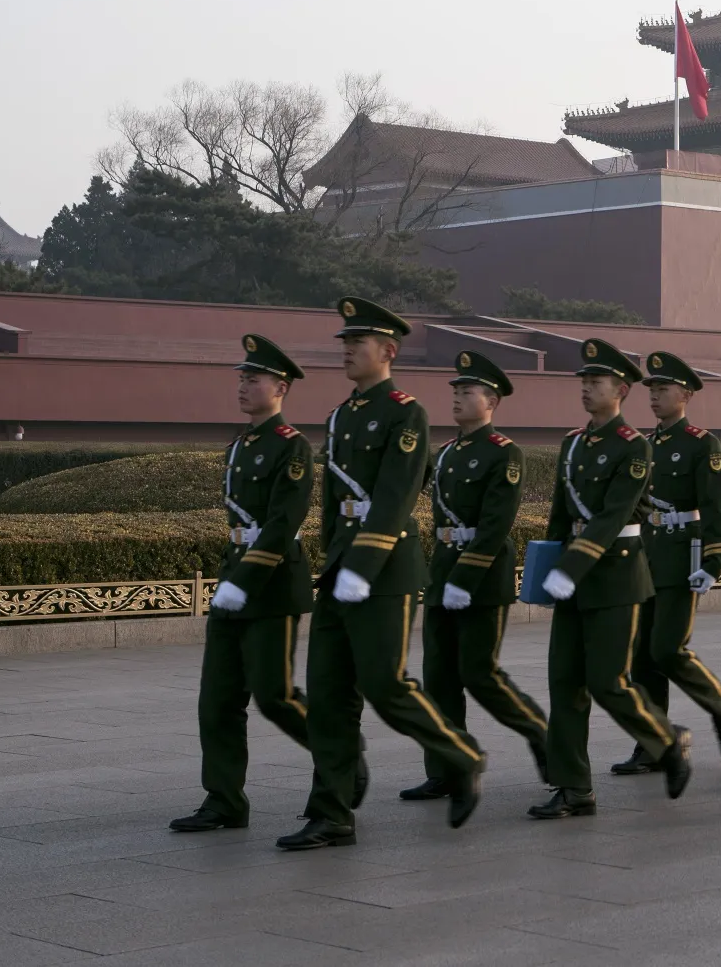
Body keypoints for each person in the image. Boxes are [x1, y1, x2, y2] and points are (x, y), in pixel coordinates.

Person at [281, 298, 485, 851]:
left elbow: (397, 495)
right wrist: (333, 561)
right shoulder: (340, 416)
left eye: (358, 343)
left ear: (388, 351)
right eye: (345, 342)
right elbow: (333, 502)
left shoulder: (405, 413)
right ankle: (331, 813)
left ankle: (461, 757)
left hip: (386, 567)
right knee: (328, 696)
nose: (347, 350)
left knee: (385, 685)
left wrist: (364, 563)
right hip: (342, 569)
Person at [530, 338, 691, 819]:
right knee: (564, 684)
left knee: (608, 682)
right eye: (584, 380)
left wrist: (571, 567)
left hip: (616, 576)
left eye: (596, 381)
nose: (586, 388)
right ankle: (574, 788)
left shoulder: (634, 446)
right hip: (573, 577)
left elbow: (614, 514)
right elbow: (561, 514)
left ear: (621, 389)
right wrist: (548, 567)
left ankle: (666, 742)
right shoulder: (573, 443)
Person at [170, 334, 314, 834]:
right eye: (242, 379)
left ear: (281, 387)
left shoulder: (292, 446)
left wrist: (246, 578)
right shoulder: (239, 446)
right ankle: (224, 799)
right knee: (218, 698)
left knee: (275, 696)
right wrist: (231, 577)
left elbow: (283, 521)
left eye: (254, 379)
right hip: (235, 573)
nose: (243, 386)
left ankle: (337, 752)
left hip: (272, 582)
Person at [397, 351, 550, 805]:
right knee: (439, 677)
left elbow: (496, 522)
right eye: (456, 391)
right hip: (443, 570)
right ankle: (446, 769)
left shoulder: (504, 453)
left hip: (482, 577)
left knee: (480, 675)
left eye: (468, 392)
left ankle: (543, 737)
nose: (458, 398)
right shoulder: (446, 453)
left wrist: (466, 577)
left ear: (492, 401)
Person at [611, 350, 721, 776]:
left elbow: (715, 506)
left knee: (668, 649)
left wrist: (714, 559)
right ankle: (653, 744)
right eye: (651, 389)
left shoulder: (702, 443)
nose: (654, 395)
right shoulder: (644, 445)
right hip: (646, 555)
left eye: (663, 389)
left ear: (685, 395)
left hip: (683, 556)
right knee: (641, 659)